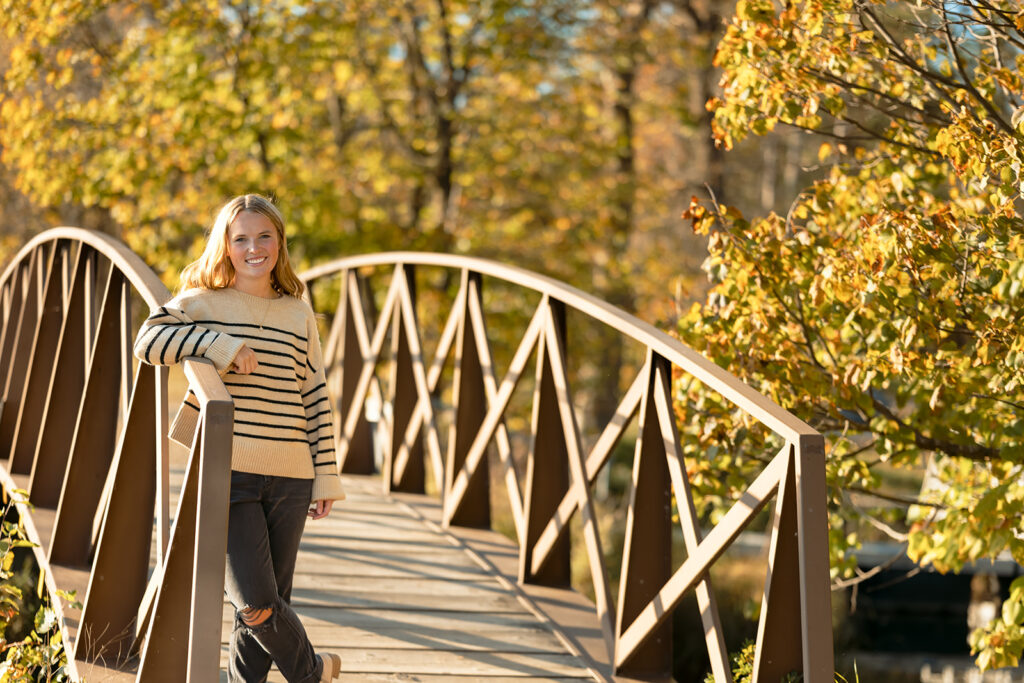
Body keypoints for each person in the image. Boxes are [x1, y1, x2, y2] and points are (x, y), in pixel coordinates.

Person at [134, 194, 344, 683]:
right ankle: (313, 672)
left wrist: (325, 477)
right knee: (255, 604)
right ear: (225, 246)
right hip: (228, 473)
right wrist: (215, 344)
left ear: (279, 243)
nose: (255, 248)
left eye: (264, 236)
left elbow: (315, 396)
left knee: (268, 605)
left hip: (292, 475)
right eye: (242, 238)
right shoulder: (202, 303)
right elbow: (148, 341)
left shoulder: (298, 312)